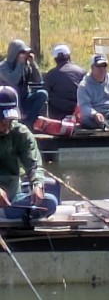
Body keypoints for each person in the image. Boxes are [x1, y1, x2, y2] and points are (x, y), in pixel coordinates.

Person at [0, 87, 58, 220]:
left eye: (10, 119)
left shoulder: (20, 132)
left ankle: (9, 212)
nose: (7, 124)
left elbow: (34, 164)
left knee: (51, 198)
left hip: (13, 193)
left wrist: (37, 183)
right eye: (3, 120)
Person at [0, 39, 48, 125]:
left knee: (42, 94)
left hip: (24, 99)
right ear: (15, 54)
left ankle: (28, 122)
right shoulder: (3, 67)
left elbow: (39, 80)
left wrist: (33, 64)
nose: (25, 56)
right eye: (22, 53)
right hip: (8, 101)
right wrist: (20, 64)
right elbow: (13, 81)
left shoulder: (26, 65)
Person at [44, 44, 86, 120]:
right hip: (79, 112)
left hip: (57, 114)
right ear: (69, 57)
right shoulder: (81, 72)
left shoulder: (51, 74)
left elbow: (46, 93)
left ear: (55, 60)